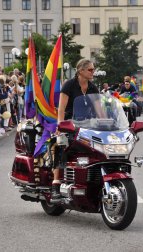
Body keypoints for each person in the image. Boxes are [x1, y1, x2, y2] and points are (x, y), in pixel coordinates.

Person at [53, 59, 99, 202]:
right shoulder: (69, 85)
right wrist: (60, 126)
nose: (93, 72)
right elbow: (61, 109)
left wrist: (107, 122)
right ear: (81, 71)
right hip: (70, 123)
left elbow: (99, 110)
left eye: (93, 69)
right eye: (90, 70)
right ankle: (56, 184)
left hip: (88, 124)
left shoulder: (93, 88)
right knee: (60, 146)